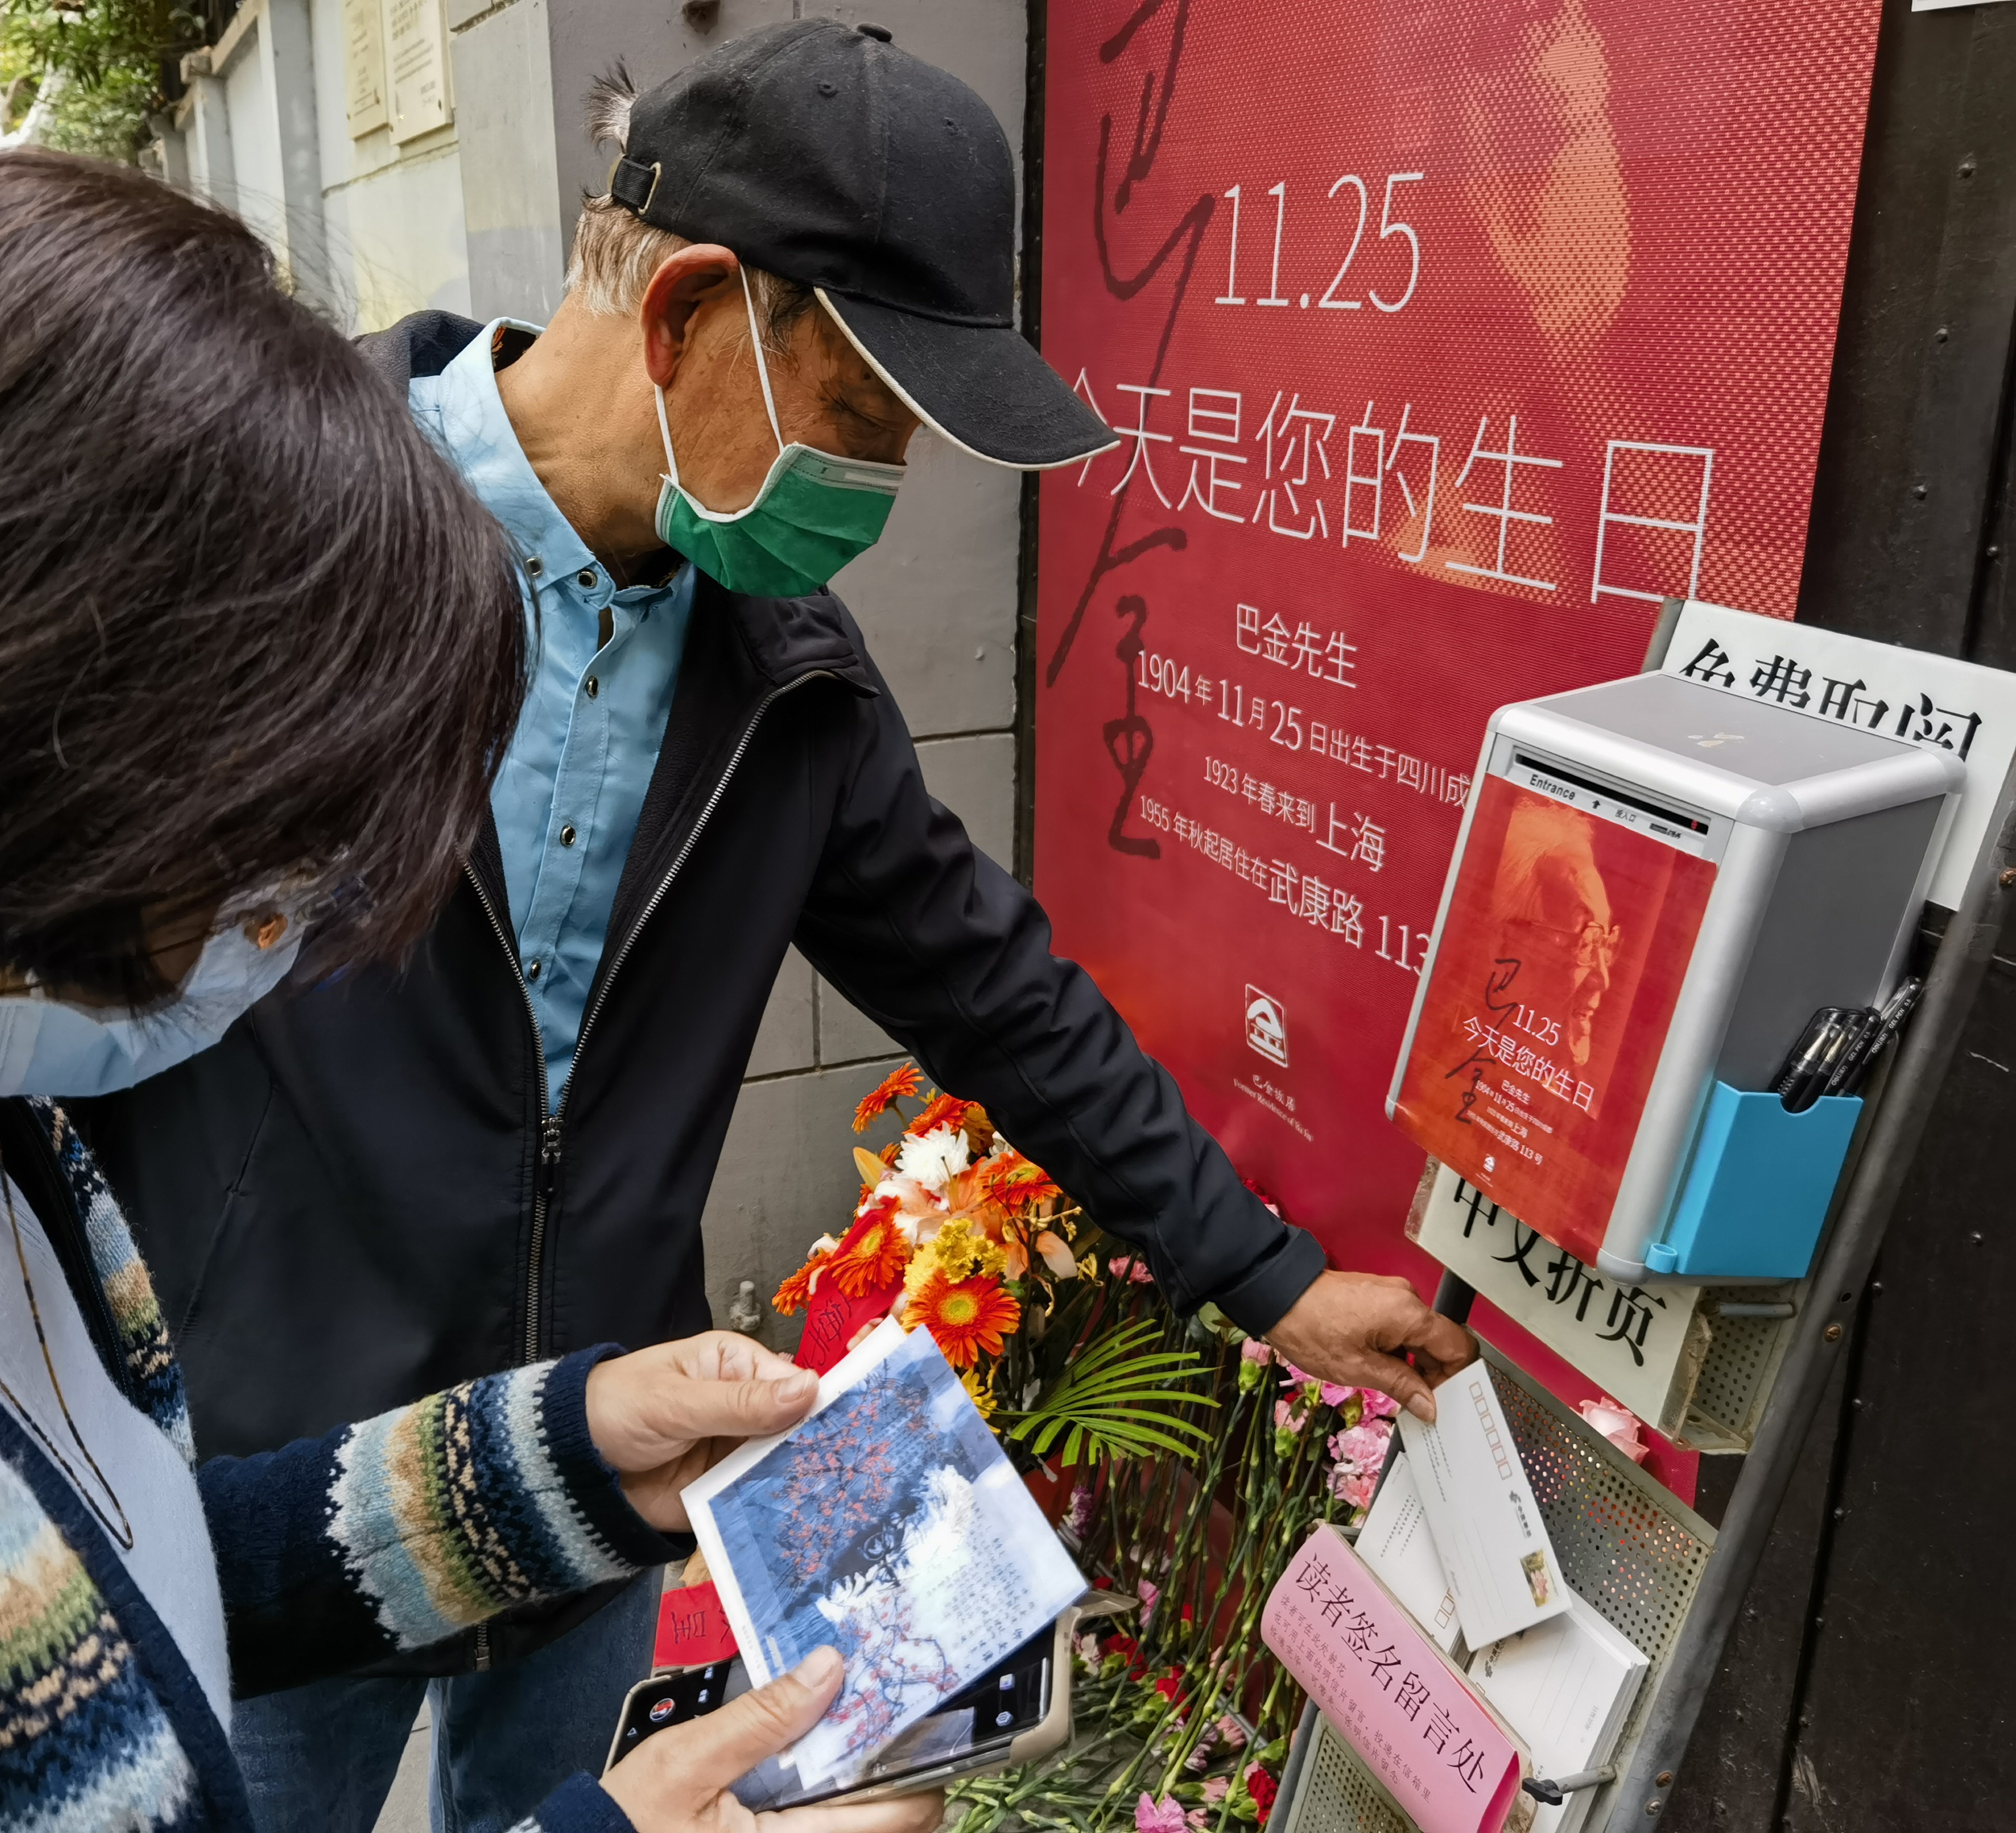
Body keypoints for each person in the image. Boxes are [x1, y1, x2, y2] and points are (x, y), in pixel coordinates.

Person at [89, 23, 1483, 1833]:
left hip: (603, 1460)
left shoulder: (789, 680)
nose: (879, 494)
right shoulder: (278, 535)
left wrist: (1268, 1277)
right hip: (281, 1486)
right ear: (686, 315)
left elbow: (997, 993)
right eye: (863, 422)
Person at [0, 149, 941, 1833]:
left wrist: (559, 1459)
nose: (317, 919)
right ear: (60, 737)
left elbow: (88, 1584)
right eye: (307, 829)